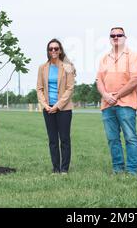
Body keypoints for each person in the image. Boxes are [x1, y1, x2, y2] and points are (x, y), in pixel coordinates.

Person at [96, 27, 137, 175]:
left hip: (126, 104)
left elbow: (134, 80)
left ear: (125, 37)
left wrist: (115, 96)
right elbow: (99, 81)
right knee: (112, 139)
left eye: (119, 35)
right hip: (107, 105)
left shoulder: (133, 56)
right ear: (110, 38)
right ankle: (117, 168)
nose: (116, 37)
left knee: (130, 137)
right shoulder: (104, 58)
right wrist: (105, 95)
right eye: (112, 35)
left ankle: (132, 170)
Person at [37, 38, 76, 174]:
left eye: (56, 48)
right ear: (48, 51)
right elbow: (39, 89)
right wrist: (45, 105)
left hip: (64, 109)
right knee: (52, 140)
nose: (53, 51)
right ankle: (55, 168)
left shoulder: (67, 66)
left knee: (64, 139)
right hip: (48, 109)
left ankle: (64, 169)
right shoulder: (42, 68)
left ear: (60, 51)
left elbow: (70, 88)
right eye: (50, 49)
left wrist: (58, 106)